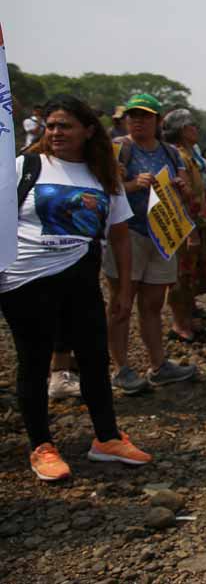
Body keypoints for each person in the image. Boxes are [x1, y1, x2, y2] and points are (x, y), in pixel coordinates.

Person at [0, 96, 152, 481]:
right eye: (50, 125)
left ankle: (106, 437)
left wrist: (122, 290)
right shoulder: (25, 167)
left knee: (94, 358)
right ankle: (41, 446)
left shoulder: (104, 175)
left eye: (64, 125)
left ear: (88, 130)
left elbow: (119, 235)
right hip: (26, 280)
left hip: (82, 277)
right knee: (34, 363)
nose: (55, 133)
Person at [105, 93, 197, 394]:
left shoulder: (170, 153)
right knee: (121, 302)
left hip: (162, 234)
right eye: (133, 115)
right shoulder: (119, 149)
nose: (138, 121)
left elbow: (187, 190)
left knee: (153, 304)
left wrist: (181, 188)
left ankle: (158, 365)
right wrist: (133, 185)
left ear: (157, 121)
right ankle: (120, 368)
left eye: (145, 116)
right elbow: (106, 187)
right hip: (127, 233)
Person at [162, 109, 206, 344]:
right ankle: (180, 324)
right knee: (181, 274)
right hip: (187, 226)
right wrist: (191, 230)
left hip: (200, 222)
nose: (196, 129)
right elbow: (181, 197)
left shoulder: (189, 153)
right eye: (192, 125)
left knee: (191, 274)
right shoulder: (178, 156)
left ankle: (188, 319)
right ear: (183, 130)